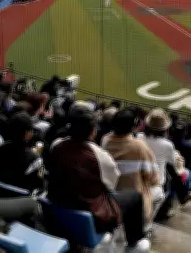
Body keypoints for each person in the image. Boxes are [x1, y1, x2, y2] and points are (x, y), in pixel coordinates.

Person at [45, 105, 151, 252]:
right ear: (92, 131)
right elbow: (111, 185)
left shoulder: (56, 144)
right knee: (135, 196)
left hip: (57, 204)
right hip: (89, 214)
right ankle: (134, 243)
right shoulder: (100, 156)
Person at [102, 109, 162, 226]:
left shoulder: (105, 139)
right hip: (129, 199)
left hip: (110, 194)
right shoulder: (139, 146)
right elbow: (153, 177)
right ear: (133, 126)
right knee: (159, 191)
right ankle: (145, 226)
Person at [0, 112, 45, 193]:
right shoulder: (35, 158)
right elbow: (40, 184)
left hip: (0, 191)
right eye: (31, 130)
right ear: (27, 134)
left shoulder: (1, 148)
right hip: (22, 195)